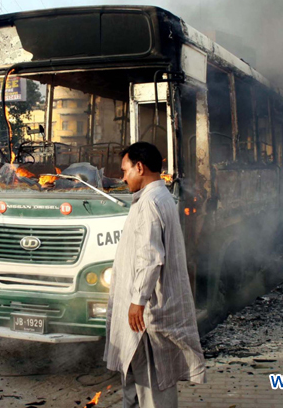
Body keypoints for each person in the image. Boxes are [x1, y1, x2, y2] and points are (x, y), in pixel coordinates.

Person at [104, 142, 206, 408]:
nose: (123, 177)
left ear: (140, 167)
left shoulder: (150, 202)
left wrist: (137, 301)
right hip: (146, 309)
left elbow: (150, 258)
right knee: (137, 383)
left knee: (151, 386)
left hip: (147, 312)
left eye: (125, 170)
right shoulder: (158, 198)